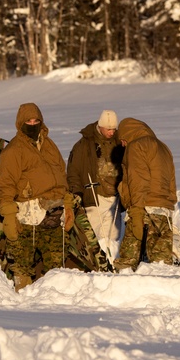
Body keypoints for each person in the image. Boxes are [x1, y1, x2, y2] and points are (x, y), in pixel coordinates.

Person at [0, 103, 74, 291]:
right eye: (28, 121)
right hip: (27, 217)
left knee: (56, 267)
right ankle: (24, 309)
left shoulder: (50, 146)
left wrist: (68, 205)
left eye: (36, 120)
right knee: (22, 266)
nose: (32, 124)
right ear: (20, 123)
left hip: (55, 213)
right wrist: (8, 216)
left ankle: (53, 301)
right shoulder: (14, 150)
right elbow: (5, 185)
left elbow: (62, 177)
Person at [113, 117, 177, 271]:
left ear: (128, 134)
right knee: (162, 265)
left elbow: (138, 181)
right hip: (163, 211)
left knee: (127, 263)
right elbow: (172, 180)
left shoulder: (136, 146)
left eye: (122, 139)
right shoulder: (163, 147)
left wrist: (136, 211)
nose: (122, 144)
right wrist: (169, 203)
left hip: (144, 210)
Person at [67, 109, 124, 261]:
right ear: (101, 126)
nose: (112, 132)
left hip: (115, 197)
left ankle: (112, 262)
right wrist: (76, 192)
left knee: (114, 236)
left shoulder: (120, 142)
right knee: (95, 236)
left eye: (114, 129)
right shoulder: (84, 145)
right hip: (94, 196)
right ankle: (96, 264)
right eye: (108, 129)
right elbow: (73, 171)